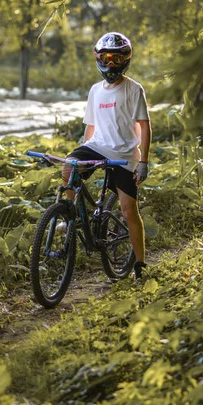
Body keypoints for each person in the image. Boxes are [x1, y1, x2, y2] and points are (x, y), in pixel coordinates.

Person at [63, 32, 151, 280]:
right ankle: (69, 215)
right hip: (97, 146)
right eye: (107, 58)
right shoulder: (94, 90)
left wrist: (143, 162)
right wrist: (82, 151)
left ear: (126, 59)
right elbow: (90, 127)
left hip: (124, 154)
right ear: (99, 58)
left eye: (117, 58)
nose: (111, 64)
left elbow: (145, 126)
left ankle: (140, 265)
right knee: (69, 167)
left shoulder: (134, 89)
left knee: (128, 210)